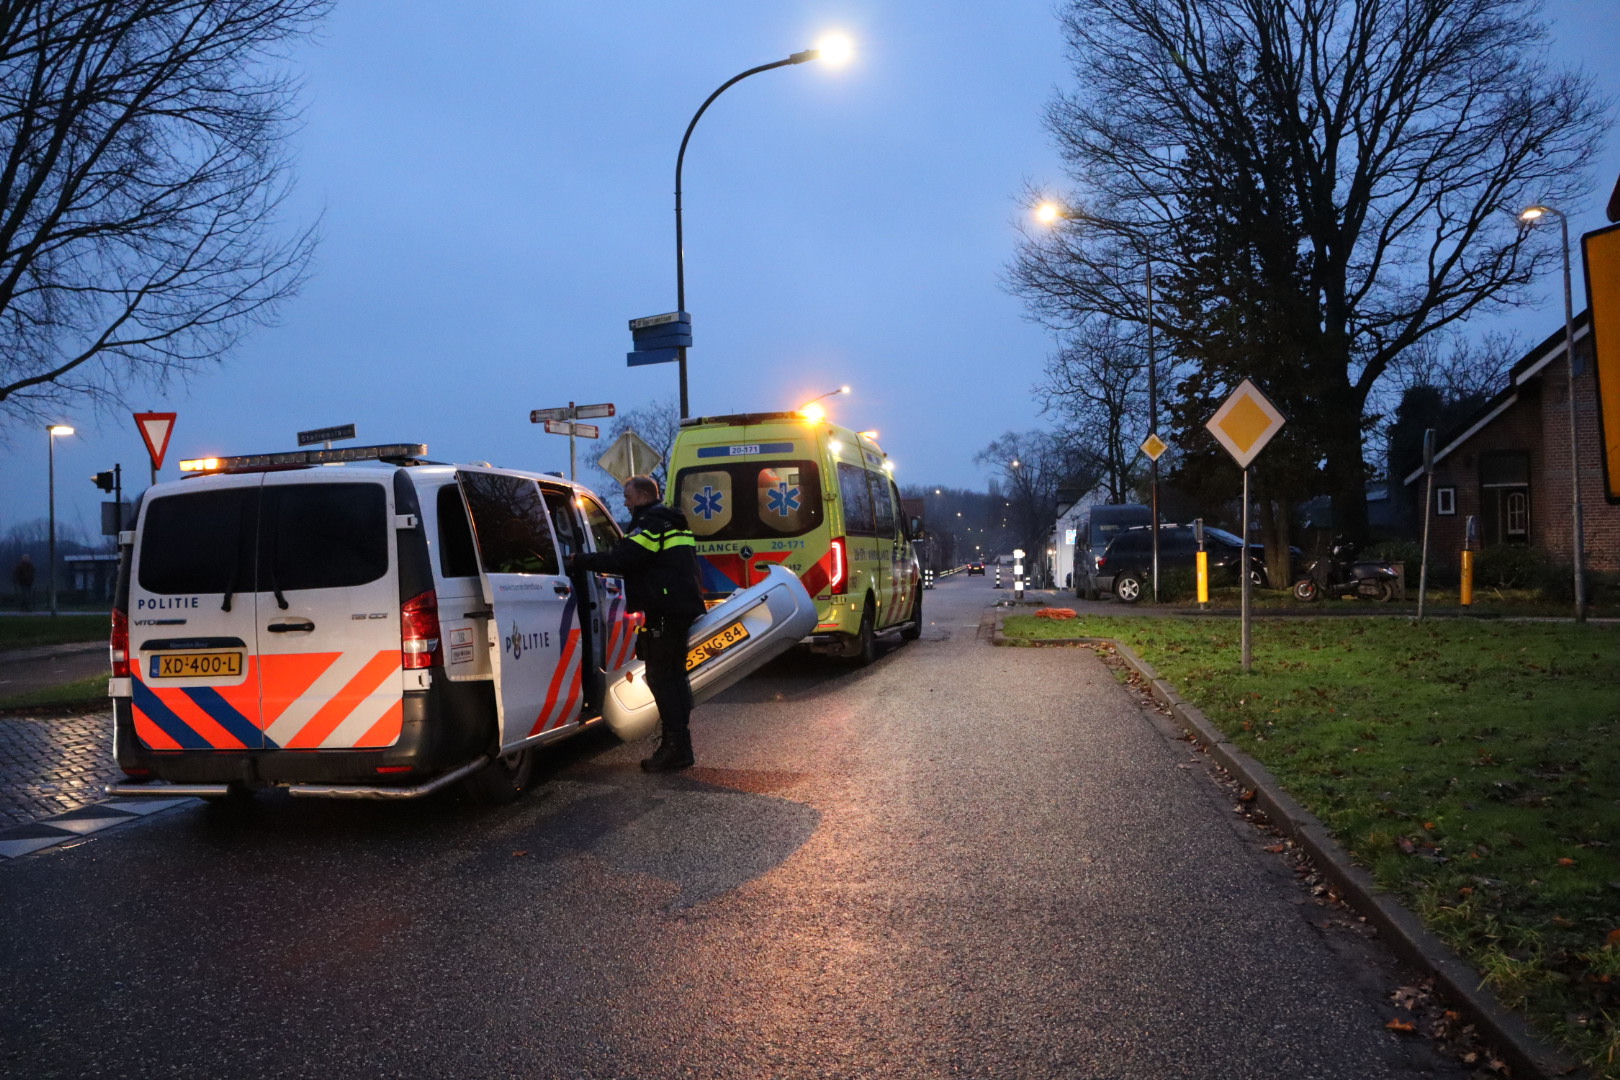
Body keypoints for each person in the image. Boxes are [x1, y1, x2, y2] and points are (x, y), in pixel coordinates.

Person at [569, 475, 706, 772]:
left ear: (643, 495)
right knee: (673, 677)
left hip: (666, 609)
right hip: (677, 606)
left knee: (662, 678)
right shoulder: (672, 519)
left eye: (627, 496)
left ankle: (675, 748)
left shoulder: (651, 522)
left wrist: (578, 561)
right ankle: (680, 746)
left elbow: (624, 558)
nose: (625, 501)